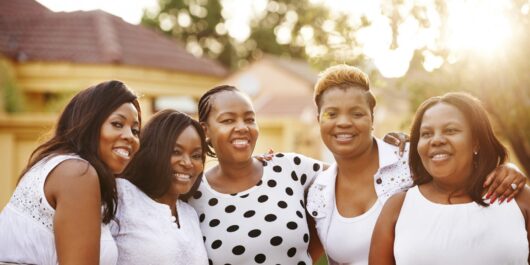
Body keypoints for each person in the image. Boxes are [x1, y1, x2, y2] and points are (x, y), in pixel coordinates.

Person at [305, 65, 527, 265]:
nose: (344, 122)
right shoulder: (318, 191)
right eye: (331, 114)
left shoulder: (410, 161)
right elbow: (301, 253)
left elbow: (458, 167)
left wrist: (508, 170)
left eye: (357, 113)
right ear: (318, 120)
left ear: (372, 118)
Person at [369, 92, 530, 264]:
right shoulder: (397, 207)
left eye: (451, 130)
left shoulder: (518, 198)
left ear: (476, 141)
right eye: (426, 134)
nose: (436, 140)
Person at [0, 80, 141, 265]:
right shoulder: (77, 173)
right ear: (89, 123)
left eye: (135, 130)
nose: (130, 136)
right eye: (117, 124)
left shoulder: (60, 166)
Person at [187, 85, 325, 265]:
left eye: (250, 119)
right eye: (228, 120)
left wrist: (308, 257)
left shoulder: (290, 168)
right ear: (205, 130)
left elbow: (347, 176)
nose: (242, 127)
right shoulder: (192, 194)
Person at [110, 109, 208, 265]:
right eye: (175, 152)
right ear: (153, 152)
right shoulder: (121, 195)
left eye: (196, 156)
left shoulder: (190, 214)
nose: (187, 163)